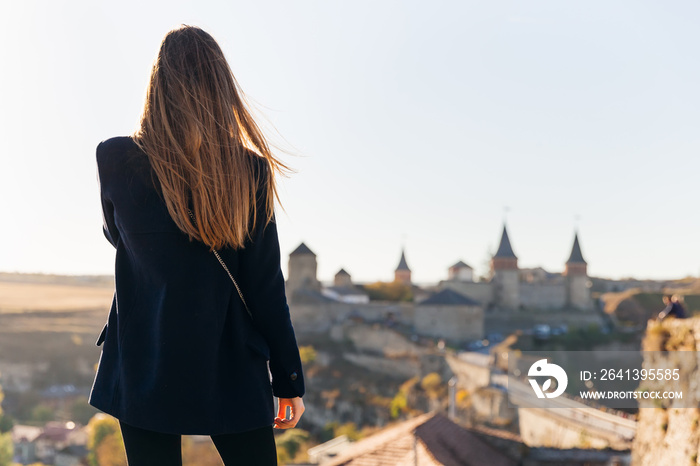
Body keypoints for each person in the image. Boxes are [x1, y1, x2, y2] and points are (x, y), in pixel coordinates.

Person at [88, 25, 305, 465]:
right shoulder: (251, 172)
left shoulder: (115, 159)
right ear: (221, 88)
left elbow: (118, 239)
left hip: (144, 353)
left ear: (158, 85)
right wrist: (289, 380)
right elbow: (265, 287)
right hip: (228, 360)